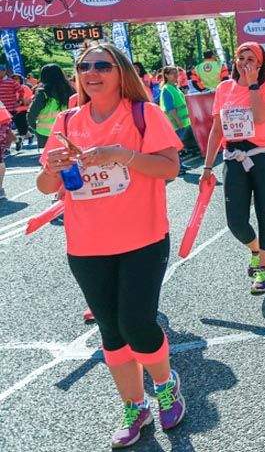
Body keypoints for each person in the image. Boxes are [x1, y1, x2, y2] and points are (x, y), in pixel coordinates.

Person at [36, 44, 186, 448]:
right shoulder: (68, 120)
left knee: (137, 325)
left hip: (142, 238)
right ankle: (134, 405)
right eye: (84, 66)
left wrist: (121, 154)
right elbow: (46, 186)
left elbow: (170, 168)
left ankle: (164, 382)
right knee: (111, 331)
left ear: (120, 72)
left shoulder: (143, 114)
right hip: (86, 245)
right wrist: (52, 169)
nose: (91, 72)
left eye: (102, 65)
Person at [203, 42, 265, 295]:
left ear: (259, 63)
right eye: (241, 57)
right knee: (235, 221)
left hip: (264, 157)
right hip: (234, 157)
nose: (245, 62)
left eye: (251, 58)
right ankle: (256, 250)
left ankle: (264, 269)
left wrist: (254, 84)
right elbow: (216, 129)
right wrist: (207, 167)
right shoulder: (224, 88)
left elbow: (259, 118)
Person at [29, 63, 76, 150]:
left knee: (48, 160)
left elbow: (32, 115)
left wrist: (35, 128)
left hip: (44, 134)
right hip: (66, 132)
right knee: (67, 158)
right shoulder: (71, 92)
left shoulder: (43, 94)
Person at [158, 66, 198, 156]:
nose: (176, 75)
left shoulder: (175, 87)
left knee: (184, 146)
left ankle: (182, 164)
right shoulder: (167, 89)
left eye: (176, 73)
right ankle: (180, 167)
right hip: (176, 125)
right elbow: (170, 109)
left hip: (184, 123)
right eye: (172, 73)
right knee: (177, 148)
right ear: (166, 75)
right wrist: (179, 123)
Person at [12, 73, 33, 151]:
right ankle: (30, 136)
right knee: (20, 126)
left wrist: (21, 101)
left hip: (24, 109)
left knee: (22, 126)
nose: (15, 80)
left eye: (17, 79)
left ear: (20, 80)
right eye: (13, 79)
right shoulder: (10, 89)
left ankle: (20, 141)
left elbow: (28, 100)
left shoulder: (25, 88)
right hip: (14, 110)